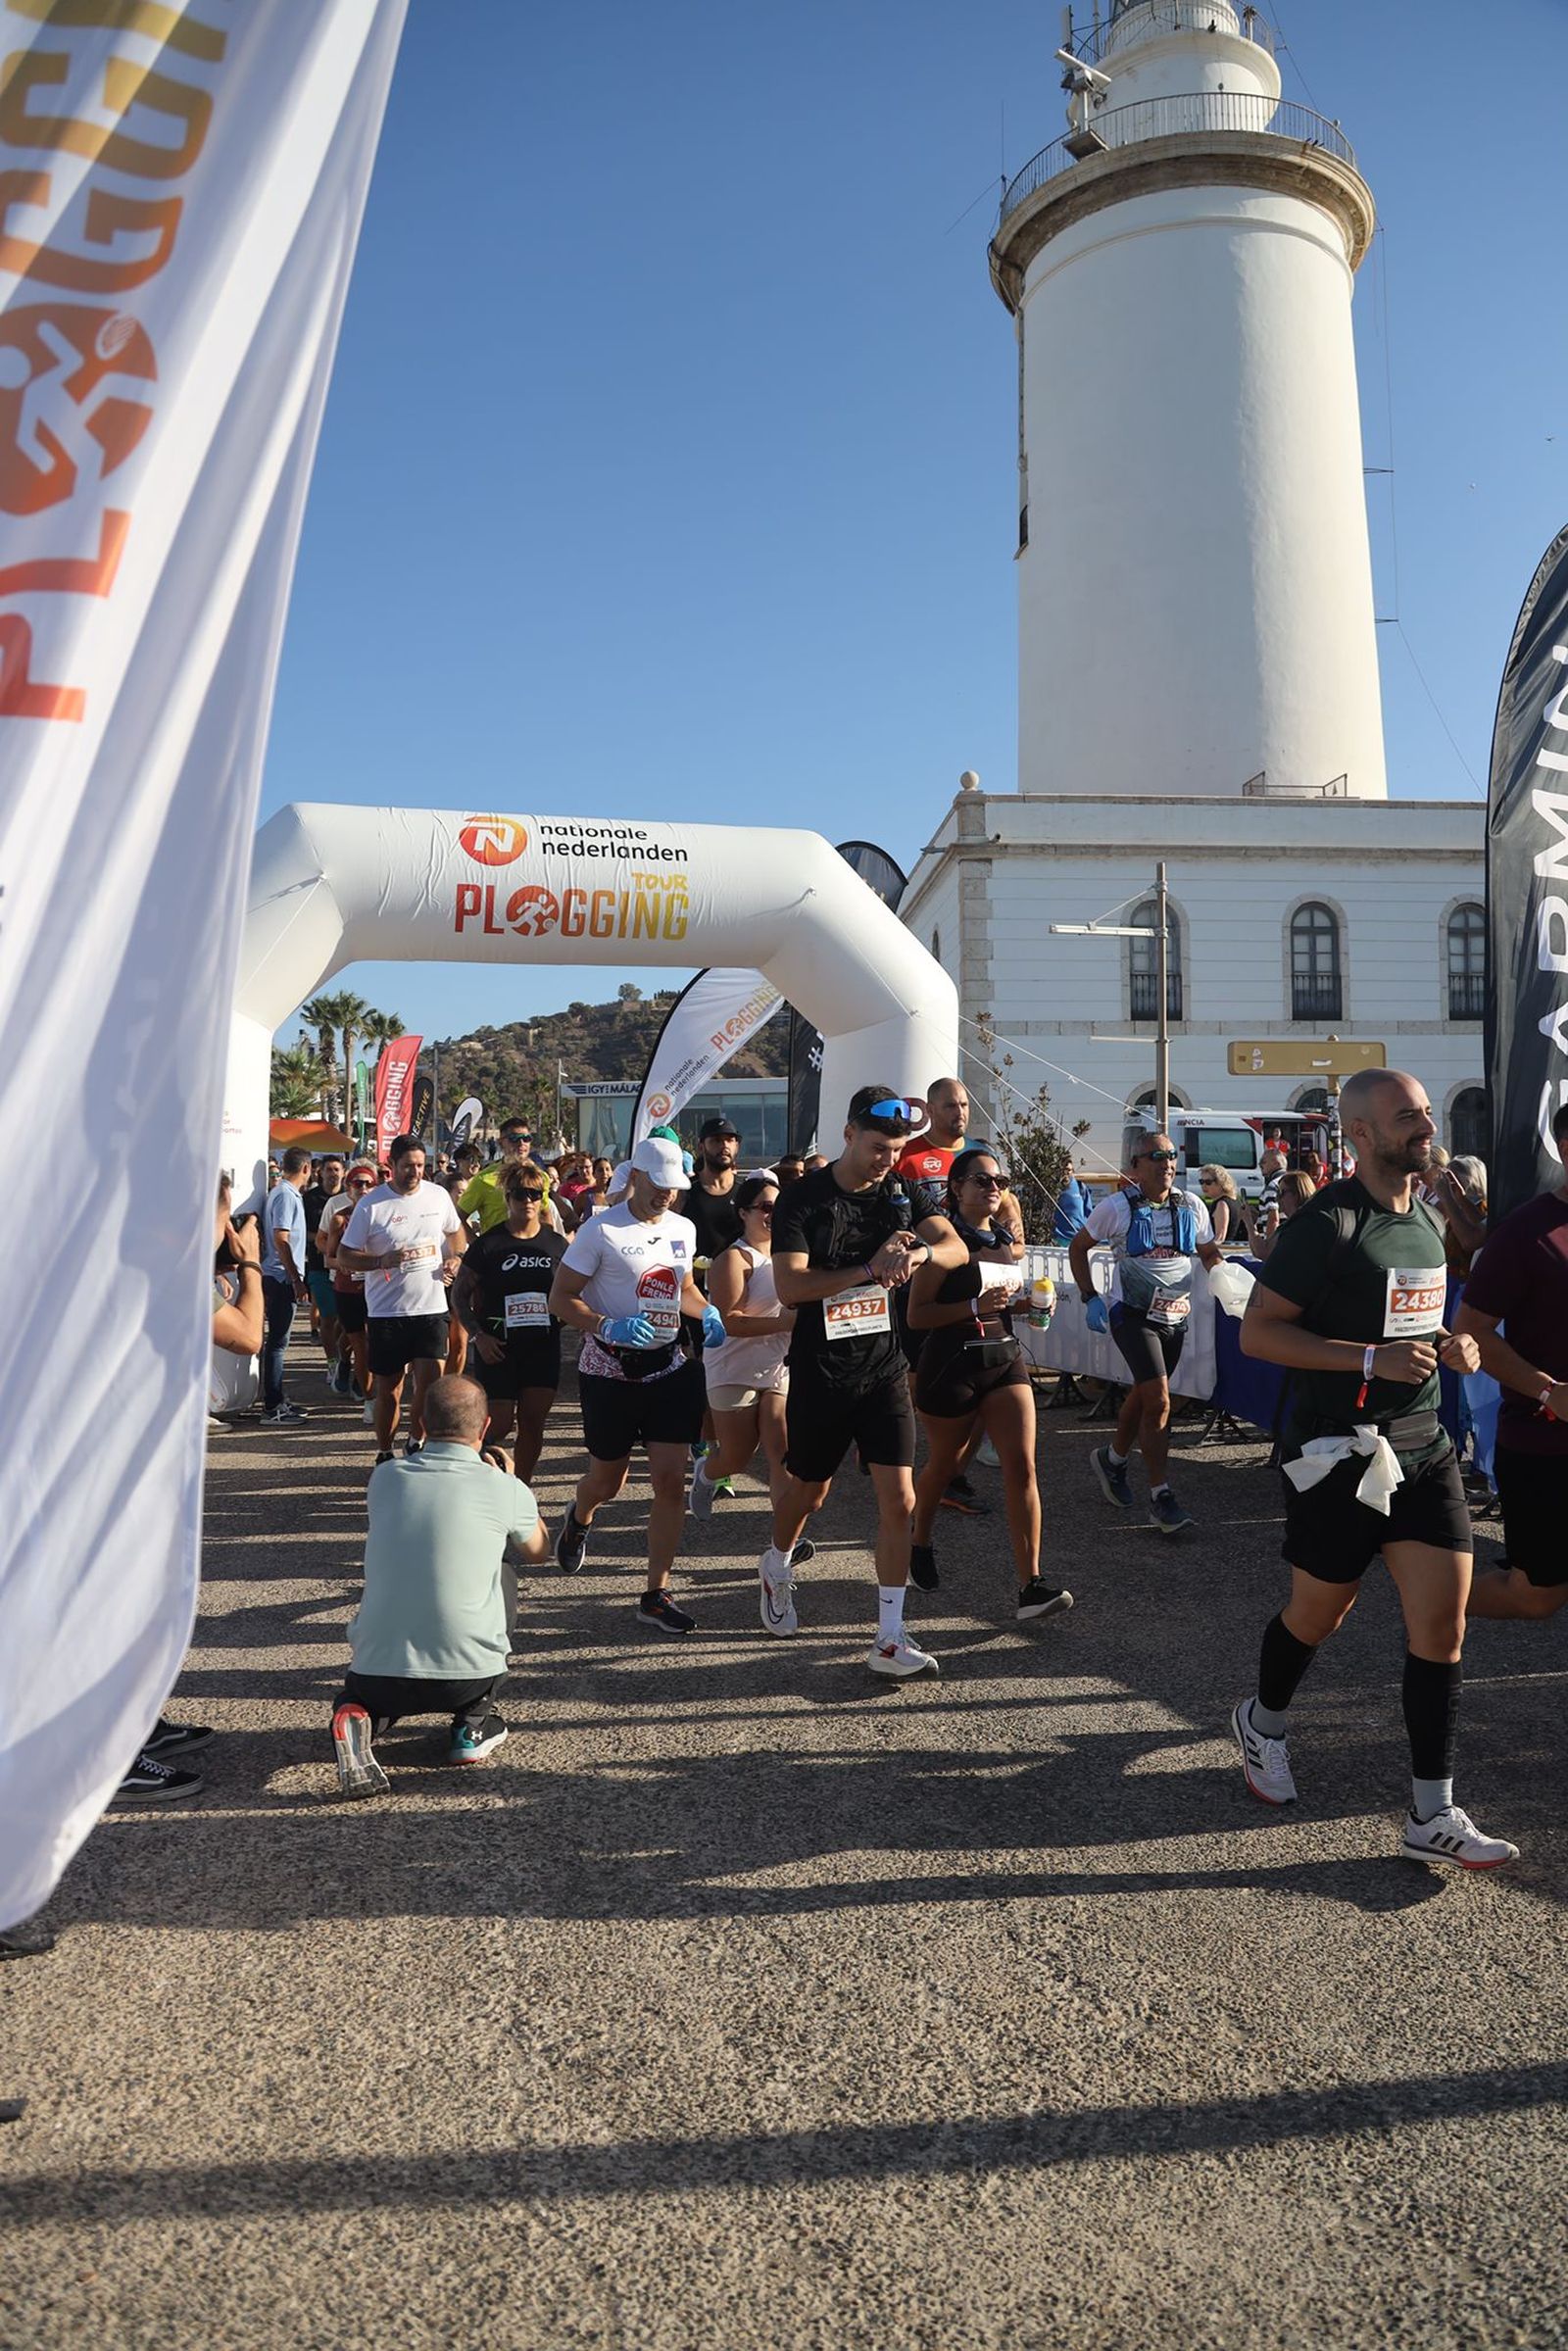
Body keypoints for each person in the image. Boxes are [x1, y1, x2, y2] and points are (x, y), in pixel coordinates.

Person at [1231, 1067, 1512, 1869]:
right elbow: (1258, 1332)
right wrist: (1366, 1357)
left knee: (1443, 1625)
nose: (1426, 1124)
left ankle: (1432, 1810)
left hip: (1422, 1448)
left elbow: (1426, 1325)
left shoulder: (1426, 1217)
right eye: (1407, 1116)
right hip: (1338, 1454)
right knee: (1319, 1615)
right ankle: (1264, 1718)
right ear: (1359, 1133)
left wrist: (1456, 1347)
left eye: (1426, 1111)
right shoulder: (1326, 1224)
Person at [759, 1088, 967, 1674]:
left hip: (884, 1368)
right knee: (808, 1493)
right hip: (822, 1372)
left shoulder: (904, 1190)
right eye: (877, 1147)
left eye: (896, 1149)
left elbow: (953, 1246)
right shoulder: (804, 1198)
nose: (885, 1160)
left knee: (899, 1500)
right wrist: (869, 1269)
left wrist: (915, 1258)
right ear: (848, 1135)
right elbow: (792, 1289)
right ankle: (776, 1564)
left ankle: (890, 1638)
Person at [329, 1376, 550, 1793]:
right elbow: (540, 1550)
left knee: (374, 1697)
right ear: (485, 1429)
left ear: (420, 1423)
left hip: (376, 1672)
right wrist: (516, 1484)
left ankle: (359, 1715)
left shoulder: (385, 1478)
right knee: (504, 1574)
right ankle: (471, 1727)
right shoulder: (503, 1487)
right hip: (465, 1676)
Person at [117, 1176, 261, 1807]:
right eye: (224, 1214)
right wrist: (250, 1263)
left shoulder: (135, 1253)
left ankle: (140, 1723)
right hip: (130, 1461)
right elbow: (249, 1336)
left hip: (132, 1453)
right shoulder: (171, 1269)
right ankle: (115, 1752)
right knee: (125, 1605)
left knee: (141, 1600)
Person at [547, 1135, 725, 1634]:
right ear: (638, 1176)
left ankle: (655, 1593)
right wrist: (606, 1325)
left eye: (675, 1186)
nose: (668, 1193)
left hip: (668, 1368)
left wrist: (705, 1309)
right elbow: (560, 1298)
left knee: (670, 1482)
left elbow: (683, 1286)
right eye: (660, 1184)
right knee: (608, 1481)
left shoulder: (683, 1229)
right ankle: (579, 1516)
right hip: (609, 1370)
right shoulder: (599, 1230)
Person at [906, 1148, 1071, 1622]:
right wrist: (975, 1309)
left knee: (1021, 1467)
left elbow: (998, 1303)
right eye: (981, 1180)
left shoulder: (1001, 1238)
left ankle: (1031, 1586)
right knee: (946, 1462)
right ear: (956, 1188)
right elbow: (918, 1317)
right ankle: (919, 1538)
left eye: (998, 1180)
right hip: (951, 1364)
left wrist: (1023, 1310)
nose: (993, 1187)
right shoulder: (943, 1240)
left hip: (1003, 1359)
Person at [1070, 1132, 1224, 1534]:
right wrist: (1090, 1297)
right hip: (1132, 1314)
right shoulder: (1116, 1208)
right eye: (1157, 1156)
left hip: (1174, 1315)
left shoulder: (1192, 1205)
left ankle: (1113, 1459)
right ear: (1136, 1165)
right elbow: (1077, 1247)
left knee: (1144, 1395)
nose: (1167, 1163)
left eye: (1172, 1156)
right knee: (1158, 1399)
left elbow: (1208, 1253)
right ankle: (1161, 1496)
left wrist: (1230, 1283)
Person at [1455, 1102, 1568, 1624]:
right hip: (1546, 1443)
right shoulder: (1526, 1232)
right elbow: (1471, 1328)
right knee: (1537, 1594)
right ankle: (1432, 1607)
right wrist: (1546, 1390)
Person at [690, 1173, 808, 1544]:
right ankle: (706, 1474)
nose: (774, 1215)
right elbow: (728, 1322)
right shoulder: (734, 1259)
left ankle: (785, 1541)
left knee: (781, 1450)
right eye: (766, 1207)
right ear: (744, 1213)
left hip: (777, 1365)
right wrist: (784, 1322)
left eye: (780, 1207)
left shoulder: (792, 1255)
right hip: (732, 1367)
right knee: (737, 1458)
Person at [337, 1135, 467, 1469]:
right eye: (408, 1165)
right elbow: (345, 1255)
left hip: (431, 1308)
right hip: (387, 1312)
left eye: (421, 1166)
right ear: (391, 1166)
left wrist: (457, 1257)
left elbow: (456, 1234)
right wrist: (380, 1262)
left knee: (429, 1385)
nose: (415, 1172)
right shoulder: (373, 1204)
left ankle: (416, 1441)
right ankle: (384, 1451)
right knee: (390, 1391)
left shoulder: (438, 1196)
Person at [451, 1159, 566, 1484]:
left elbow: (573, 1294)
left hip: (542, 1348)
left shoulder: (555, 1245)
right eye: (519, 1194)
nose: (527, 1200)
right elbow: (459, 1296)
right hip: (497, 1348)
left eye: (534, 1194)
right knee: (498, 1425)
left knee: (532, 1422)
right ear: (508, 1198)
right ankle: (475, 1474)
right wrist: (478, 1337)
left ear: (542, 1198)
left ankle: (520, 1489)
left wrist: (561, 1322)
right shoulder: (488, 1244)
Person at [256, 1146, 312, 1426]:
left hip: (279, 1276)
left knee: (278, 1342)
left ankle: (276, 1398)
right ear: (306, 1168)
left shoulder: (285, 1194)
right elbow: (281, 1238)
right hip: (279, 1277)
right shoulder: (286, 1196)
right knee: (278, 1343)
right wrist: (295, 1278)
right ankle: (272, 1406)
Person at [319, 1160, 375, 1398]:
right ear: (349, 1188)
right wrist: (347, 1263)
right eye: (357, 1183)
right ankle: (366, 1393)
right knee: (358, 1343)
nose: (363, 1188)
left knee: (372, 1344)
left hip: (376, 1289)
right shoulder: (339, 1217)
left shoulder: (383, 1216)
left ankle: (363, 1384)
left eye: (369, 1184)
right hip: (347, 1288)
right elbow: (328, 1258)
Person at [301, 1154, 346, 1377]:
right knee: (327, 1317)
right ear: (321, 1173)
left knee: (345, 1321)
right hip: (319, 1266)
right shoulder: (309, 1199)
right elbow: (303, 1232)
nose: (333, 1174)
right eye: (329, 1170)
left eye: (337, 1169)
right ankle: (332, 1363)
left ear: (343, 1172)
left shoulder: (351, 1197)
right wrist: (326, 1240)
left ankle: (343, 1360)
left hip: (347, 1268)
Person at [1247, 1167, 1317, 1262]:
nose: (1277, 1198)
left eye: (1281, 1193)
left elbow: (1263, 1252)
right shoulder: (1312, 1220)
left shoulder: (1295, 1225)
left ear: (1297, 1193)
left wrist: (1249, 1223)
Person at [1052, 1152, 1093, 1244]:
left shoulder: (1081, 1187)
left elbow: (1089, 1213)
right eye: (1063, 1170)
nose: (1066, 1173)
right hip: (1060, 1238)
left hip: (1079, 1236)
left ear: (1073, 1171)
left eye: (1069, 1170)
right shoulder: (1054, 1188)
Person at [1197, 1163, 1241, 1248]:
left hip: (1225, 1252)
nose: (1204, 1186)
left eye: (1208, 1182)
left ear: (1220, 1183)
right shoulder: (1235, 1200)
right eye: (1201, 1182)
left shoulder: (1222, 1204)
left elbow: (1220, 1237)